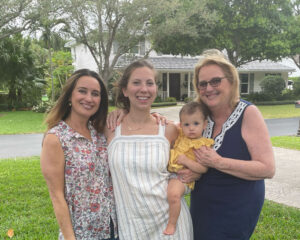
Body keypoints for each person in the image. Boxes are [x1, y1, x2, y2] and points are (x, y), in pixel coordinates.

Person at [177, 50, 275, 240]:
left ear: (231, 81)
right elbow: (171, 129)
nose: (208, 88)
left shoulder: (248, 113)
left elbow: (267, 168)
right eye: (202, 84)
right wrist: (128, 114)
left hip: (236, 208)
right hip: (202, 207)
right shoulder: (200, 116)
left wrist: (218, 162)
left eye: (215, 81)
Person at [105, 59, 193, 239]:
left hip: (171, 226)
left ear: (155, 88)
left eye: (149, 83)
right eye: (136, 82)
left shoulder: (170, 130)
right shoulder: (110, 127)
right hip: (131, 226)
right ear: (125, 90)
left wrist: (193, 176)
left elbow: (191, 165)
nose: (143, 89)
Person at [40, 69, 118, 240]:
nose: (89, 98)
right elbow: (57, 196)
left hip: (113, 228)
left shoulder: (100, 132)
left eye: (95, 94)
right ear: (69, 96)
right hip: (81, 233)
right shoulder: (56, 138)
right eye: (82, 91)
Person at [164, 101, 214, 235]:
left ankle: (172, 224)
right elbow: (167, 124)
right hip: (169, 173)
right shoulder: (181, 134)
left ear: (204, 125)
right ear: (181, 125)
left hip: (182, 177)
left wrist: (186, 161)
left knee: (173, 195)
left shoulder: (202, 145)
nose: (191, 128)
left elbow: (203, 169)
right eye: (187, 124)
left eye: (196, 123)